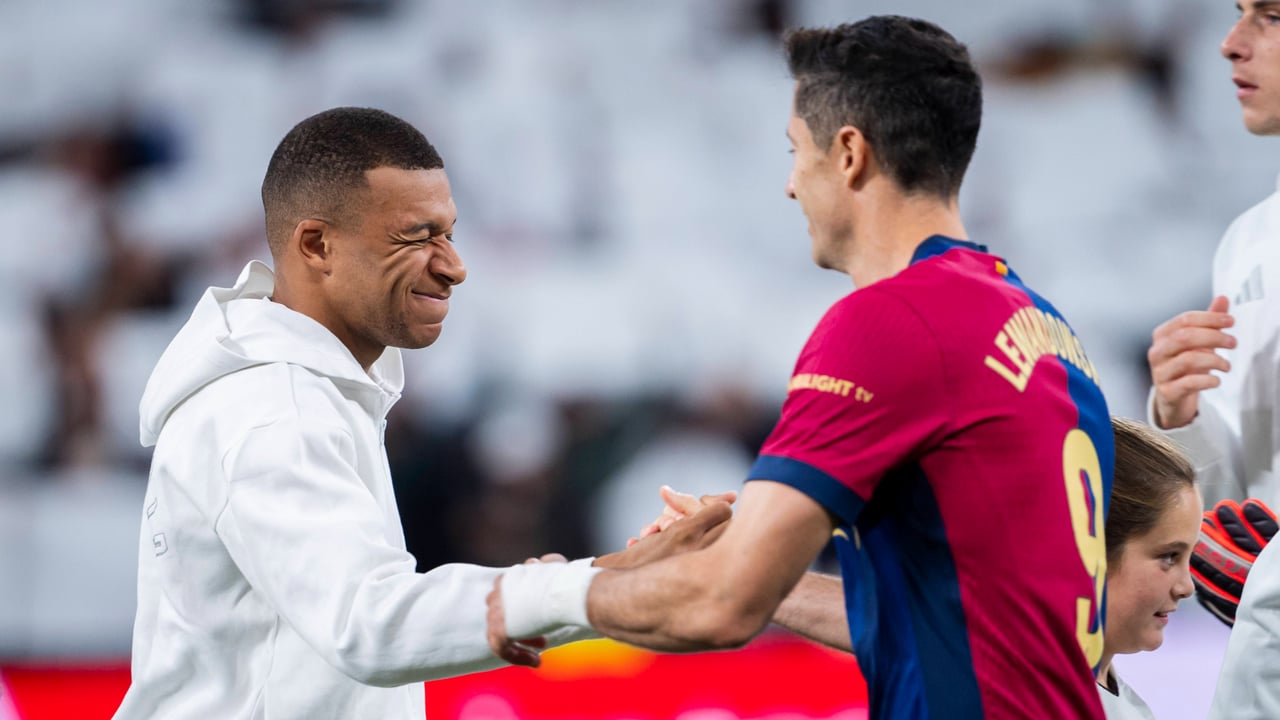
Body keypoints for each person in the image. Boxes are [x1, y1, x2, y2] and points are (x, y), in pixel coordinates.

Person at [485, 16, 1114, 719]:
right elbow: (951, 620)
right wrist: (755, 556)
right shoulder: (1046, 328)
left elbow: (723, 608)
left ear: (848, 154)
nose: (789, 185)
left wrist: (547, 597)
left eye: (795, 151)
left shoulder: (891, 322)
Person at [112, 107, 730, 720]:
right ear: (317, 246)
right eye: (415, 237)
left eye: (449, 234)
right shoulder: (276, 409)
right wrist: (594, 590)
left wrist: (620, 574)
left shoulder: (300, 392)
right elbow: (369, 622)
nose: (454, 267)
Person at [1145, 3, 1280, 717]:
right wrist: (1181, 414)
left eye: (1272, 16)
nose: (1231, 44)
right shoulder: (1250, 241)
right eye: (1238, 14)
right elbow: (1233, 501)